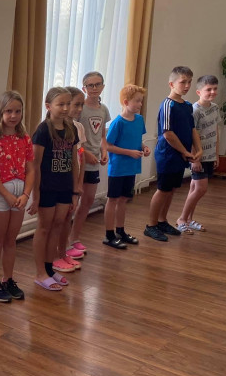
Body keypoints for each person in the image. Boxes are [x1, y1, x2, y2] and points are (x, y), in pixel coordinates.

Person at [0, 91, 34, 302]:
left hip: (19, 194)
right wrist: (6, 195)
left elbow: (30, 169)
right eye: (9, 111)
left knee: (11, 241)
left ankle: (8, 279)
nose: (13, 116)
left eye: (17, 111)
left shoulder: (24, 138)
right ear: (0, 112)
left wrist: (26, 194)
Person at [30, 87, 80, 291]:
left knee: (58, 225)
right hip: (47, 187)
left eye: (68, 103)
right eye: (61, 104)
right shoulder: (43, 130)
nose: (66, 108)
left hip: (64, 187)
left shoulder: (71, 129)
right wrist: (35, 195)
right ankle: (40, 272)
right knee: (44, 227)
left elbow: (74, 162)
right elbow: (35, 165)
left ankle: (50, 269)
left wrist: (75, 191)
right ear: (49, 106)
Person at [144, 66, 202, 241]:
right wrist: (185, 151)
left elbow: (192, 129)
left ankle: (162, 221)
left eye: (189, 82)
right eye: (183, 82)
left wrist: (198, 149)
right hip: (168, 155)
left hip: (181, 155)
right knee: (163, 189)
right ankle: (151, 225)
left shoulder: (187, 106)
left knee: (172, 189)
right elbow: (168, 133)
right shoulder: (168, 105)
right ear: (171, 84)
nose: (187, 86)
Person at [103, 84, 151, 248]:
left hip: (131, 167)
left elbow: (137, 140)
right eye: (137, 101)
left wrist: (144, 147)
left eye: (141, 101)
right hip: (118, 168)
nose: (140, 104)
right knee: (113, 200)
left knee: (124, 200)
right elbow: (108, 146)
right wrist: (129, 152)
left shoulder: (139, 120)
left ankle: (120, 231)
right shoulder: (118, 122)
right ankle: (109, 235)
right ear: (126, 102)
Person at [69, 71, 109, 255]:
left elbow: (102, 136)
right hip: (78, 162)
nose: (94, 88)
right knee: (72, 203)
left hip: (93, 163)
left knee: (88, 201)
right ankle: (64, 242)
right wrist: (85, 154)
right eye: (90, 85)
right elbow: (72, 138)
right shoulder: (79, 109)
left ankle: (75, 237)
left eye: (97, 84)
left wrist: (104, 151)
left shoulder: (103, 110)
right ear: (84, 88)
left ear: (102, 86)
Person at [176, 74, 220, 233]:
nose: (212, 92)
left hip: (210, 155)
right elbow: (191, 136)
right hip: (198, 157)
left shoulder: (215, 108)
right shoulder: (194, 110)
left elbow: (216, 131)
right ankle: (181, 219)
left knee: (194, 188)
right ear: (199, 92)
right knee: (201, 189)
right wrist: (195, 159)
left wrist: (216, 154)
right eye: (208, 89)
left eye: (215, 89)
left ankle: (189, 219)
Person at [52, 86, 87, 273]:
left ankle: (63, 250)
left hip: (71, 180)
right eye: (76, 105)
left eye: (81, 105)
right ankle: (55, 256)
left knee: (67, 218)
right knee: (57, 221)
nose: (79, 109)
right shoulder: (51, 128)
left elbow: (80, 156)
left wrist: (79, 183)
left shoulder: (78, 127)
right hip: (57, 182)